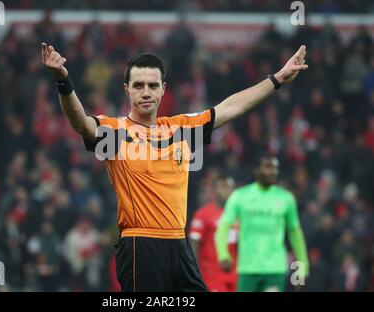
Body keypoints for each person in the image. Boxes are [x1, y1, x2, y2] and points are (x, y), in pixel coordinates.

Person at [41, 41, 308, 291]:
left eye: (153, 86)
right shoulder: (115, 131)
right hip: (140, 244)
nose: (146, 92)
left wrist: (277, 80)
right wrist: (63, 80)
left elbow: (229, 107)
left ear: (163, 89)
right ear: (127, 89)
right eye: (139, 85)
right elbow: (81, 123)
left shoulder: (181, 128)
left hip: (178, 244)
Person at [214, 155, 309, 292]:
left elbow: (295, 234)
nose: (273, 172)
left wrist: (301, 270)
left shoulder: (286, 199)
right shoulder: (240, 197)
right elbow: (223, 228)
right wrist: (223, 255)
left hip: (274, 270)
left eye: (275, 168)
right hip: (247, 269)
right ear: (257, 170)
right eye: (268, 167)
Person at [189, 175, 238, 292]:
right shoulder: (203, 214)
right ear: (215, 190)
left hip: (235, 275)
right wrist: (195, 274)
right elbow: (194, 245)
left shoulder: (238, 214)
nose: (227, 191)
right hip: (211, 275)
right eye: (223, 187)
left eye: (230, 188)